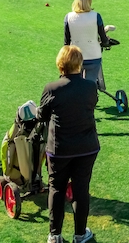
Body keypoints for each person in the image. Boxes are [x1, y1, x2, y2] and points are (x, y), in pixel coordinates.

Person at [38, 45, 99, 243]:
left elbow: (42, 115)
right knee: (81, 190)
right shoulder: (90, 86)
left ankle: (54, 235)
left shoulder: (52, 88)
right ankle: (80, 234)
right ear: (79, 64)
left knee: (56, 189)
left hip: (60, 149)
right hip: (86, 147)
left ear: (60, 64)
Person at [64, 0, 110, 91]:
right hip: (93, 56)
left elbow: (66, 42)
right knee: (90, 85)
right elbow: (103, 39)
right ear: (89, 1)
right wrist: (106, 42)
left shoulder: (68, 17)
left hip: (75, 57)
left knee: (76, 86)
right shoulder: (96, 16)